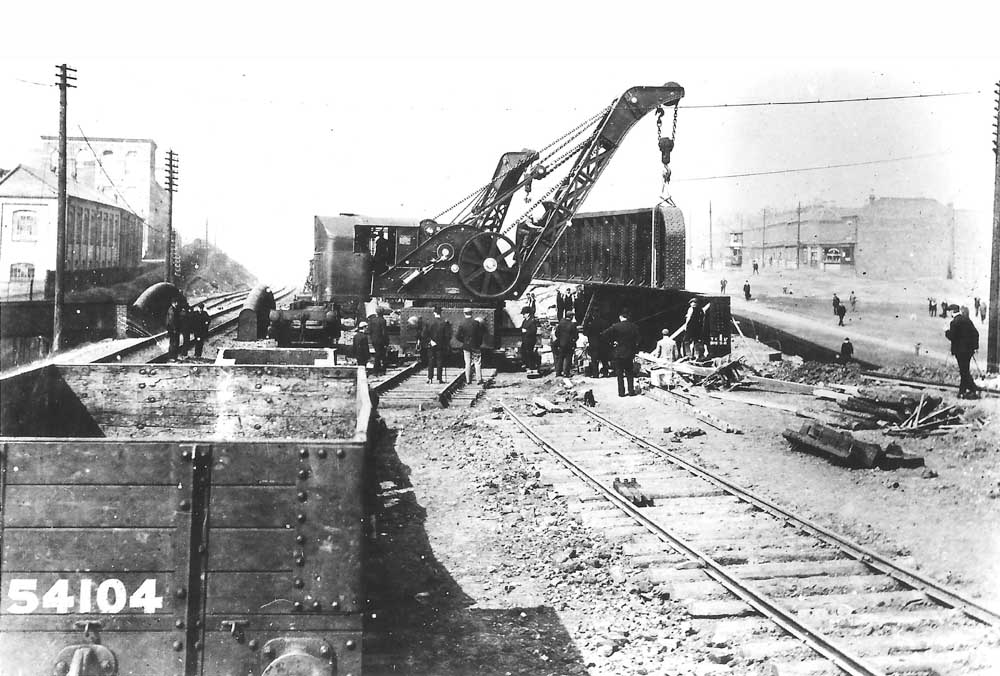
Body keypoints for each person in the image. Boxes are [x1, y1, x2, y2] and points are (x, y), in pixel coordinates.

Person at [602, 310, 641, 397]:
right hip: (629, 353)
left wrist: (612, 343)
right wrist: (634, 348)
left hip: (618, 353)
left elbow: (604, 334)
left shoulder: (615, 326)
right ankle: (631, 391)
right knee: (629, 373)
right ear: (628, 317)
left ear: (620, 317)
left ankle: (621, 392)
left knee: (619, 374)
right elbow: (638, 340)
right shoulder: (633, 326)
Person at [946, 306, 980, 399]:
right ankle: (966, 390)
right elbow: (976, 333)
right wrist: (975, 347)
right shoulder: (967, 320)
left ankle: (971, 389)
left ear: (952, 311)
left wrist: (946, 332)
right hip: (968, 351)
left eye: (949, 311)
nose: (948, 313)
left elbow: (952, 336)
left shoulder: (954, 322)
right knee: (965, 370)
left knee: (964, 371)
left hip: (960, 351)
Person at [456, 308, 486, 384]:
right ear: (471, 313)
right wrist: (478, 343)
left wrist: (464, 341)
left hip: (466, 346)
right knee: (477, 363)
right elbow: (480, 335)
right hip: (476, 346)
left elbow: (457, 336)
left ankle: (468, 380)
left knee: (467, 363)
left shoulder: (462, 323)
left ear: (464, 313)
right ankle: (479, 380)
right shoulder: (476, 323)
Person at [425, 306, 451, 383]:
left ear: (434, 313)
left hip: (431, 344)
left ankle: (430, 378)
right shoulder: (444, 323)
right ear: (440, 313)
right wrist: (446, 344)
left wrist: (430, 341)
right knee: (440, 361)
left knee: (431, 361)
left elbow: (424, 334)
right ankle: (439, 379)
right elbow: (447, 336)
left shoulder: (429, 322)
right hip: (441, 345)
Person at [583, 311, 611, 377]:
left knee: (594, 359)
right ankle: (605, 373)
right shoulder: (605, 322)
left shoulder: (590, 323)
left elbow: (585, 332)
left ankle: (595, 374)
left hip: (593, 343)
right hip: (603, 343)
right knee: (604, 359)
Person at [554, 309, 579, 377]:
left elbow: (556, 333)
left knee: (560, 358)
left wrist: (560, 340)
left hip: (561, 344)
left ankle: (558, 372)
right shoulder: (572, 325)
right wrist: (573, 341)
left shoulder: (561, 323)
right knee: (568, 359)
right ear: (571, 317)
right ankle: (566, 373)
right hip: (569, 344)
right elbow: (576, 335)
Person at [368, 307, 389, 376]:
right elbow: (384, 332)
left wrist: (372, 338)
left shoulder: (372, 320)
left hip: (374, 340)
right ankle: (378, 370)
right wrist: (386, 342)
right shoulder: (383, 321)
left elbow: (370, 331)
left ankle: (378, 369)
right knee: (381, 354)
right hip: (381, 340)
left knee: (378, 353)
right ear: (382, 313)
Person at [519, 307, 539, 373]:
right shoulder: (525, 321)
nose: (523, 315)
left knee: (529, 353)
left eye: (524, 314)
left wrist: (526, 331)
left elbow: (533, 331)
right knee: (523, 352)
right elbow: (522, 327)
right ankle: (527, 365)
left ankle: (532, 366)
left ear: (528, 314)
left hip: (530, 340)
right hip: (525, 340)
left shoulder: (532, 321)